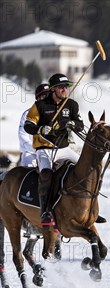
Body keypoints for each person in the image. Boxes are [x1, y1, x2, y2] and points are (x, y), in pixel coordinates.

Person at [24, 73, 85, 230]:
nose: (64, 89)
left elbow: (80, 125)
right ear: (52, 89)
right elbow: (28, 126)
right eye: (61, 87)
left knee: (85, 169)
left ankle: (88, 207)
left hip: (63, 148)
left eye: (66, 87)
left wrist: (72, 123)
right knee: (46, 174)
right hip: (44, 148)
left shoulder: (71, 105)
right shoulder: (40, 106)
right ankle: (45, 211)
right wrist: (41, 128)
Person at [18, 83, 50, 167]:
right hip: (31, 153)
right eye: (44, 96)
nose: (46, 98)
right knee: (29, 168)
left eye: (49, 95)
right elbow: (22, 136)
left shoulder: (55, 113)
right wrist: (36, 148)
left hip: (50, 153)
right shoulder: (27, 114)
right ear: (38, 98)